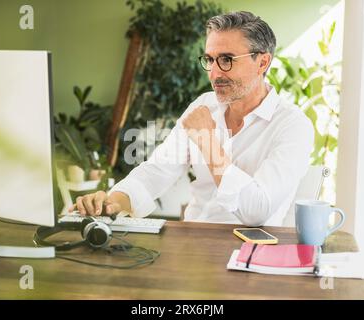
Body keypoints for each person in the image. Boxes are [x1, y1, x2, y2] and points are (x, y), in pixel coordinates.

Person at [70, 11, 314, 226]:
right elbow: (156, 172)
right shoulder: (203, 106)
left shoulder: (293, 126)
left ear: (262, 62)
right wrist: (111, 202)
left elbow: (256, 211)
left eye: (227, 60)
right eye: (209, 60)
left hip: (249, 254)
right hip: (192, 242)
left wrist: (208, 142)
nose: (215, 73)